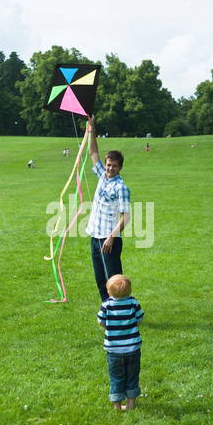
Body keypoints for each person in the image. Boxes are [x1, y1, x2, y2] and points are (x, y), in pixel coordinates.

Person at [86, 114, 131, 302]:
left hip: (109, 240)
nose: (110, 168)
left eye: (114, 166)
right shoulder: (102, 176)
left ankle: (125, 313)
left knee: (115, 282)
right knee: (100, 281)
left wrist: (112, 237)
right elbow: (92, 153)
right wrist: (92, 127)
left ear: (120, 167)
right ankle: (108, 313)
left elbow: (126, 217)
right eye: (108, 164)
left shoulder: (121, 187)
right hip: (95, 237)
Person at [97, 274, 144, 410]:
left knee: (116, 377)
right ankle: (130, 405)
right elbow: (139, 319)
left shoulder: (107, 304)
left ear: (109, 292)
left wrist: (109, 327)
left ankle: (117, 406)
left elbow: (101, 321)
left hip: (114, 351)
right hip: (133, 349)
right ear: (130, 291)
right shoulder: (133, 303)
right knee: (132, 376)